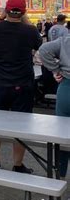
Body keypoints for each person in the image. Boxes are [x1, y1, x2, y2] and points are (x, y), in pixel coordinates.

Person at [0, 0, 42, 173]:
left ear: (5, 10)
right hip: (22, 84)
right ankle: (17, 164)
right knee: (21, 126)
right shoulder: (30, 31)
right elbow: (37, 44)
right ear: (24, 12)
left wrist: (3, 18)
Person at [39, 34, 70, 176]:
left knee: (62, 133)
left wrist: (56, 70)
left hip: (67, 87)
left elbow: (44, 49)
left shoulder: (66, 39)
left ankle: (60, 173)